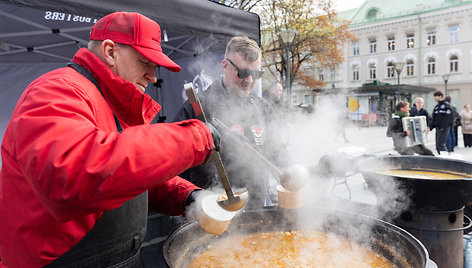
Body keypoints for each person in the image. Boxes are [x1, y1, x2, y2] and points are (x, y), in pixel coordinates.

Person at [0, 12, 221, 267]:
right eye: (144, 62)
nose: (152, 76)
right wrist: (192, 137)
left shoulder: (110, 102)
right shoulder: (56, 90)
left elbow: (126, 172)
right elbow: (75, 174)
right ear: (110, 51)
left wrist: (187, 197)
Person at [174, 36, 288, 208]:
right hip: (211, 209)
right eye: (242, 73)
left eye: (256, 74)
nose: (249, 80)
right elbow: (175, 165)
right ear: (225, 66)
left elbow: (277, 151)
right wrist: (192, 200)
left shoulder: (263, 108)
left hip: (254, 208)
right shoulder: (197, 107)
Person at [430, 90, 454, 155]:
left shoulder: (447, 106)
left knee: (441, 144)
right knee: (438, 145)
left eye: (436, 96)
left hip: (443, 128)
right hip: (438, 127)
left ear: (441, 96)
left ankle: (446, 158)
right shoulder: (437, 107)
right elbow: (434, 118)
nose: (435, 98)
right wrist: (430, 127)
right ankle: (442, 157)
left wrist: (443, 126)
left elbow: (449, 117)